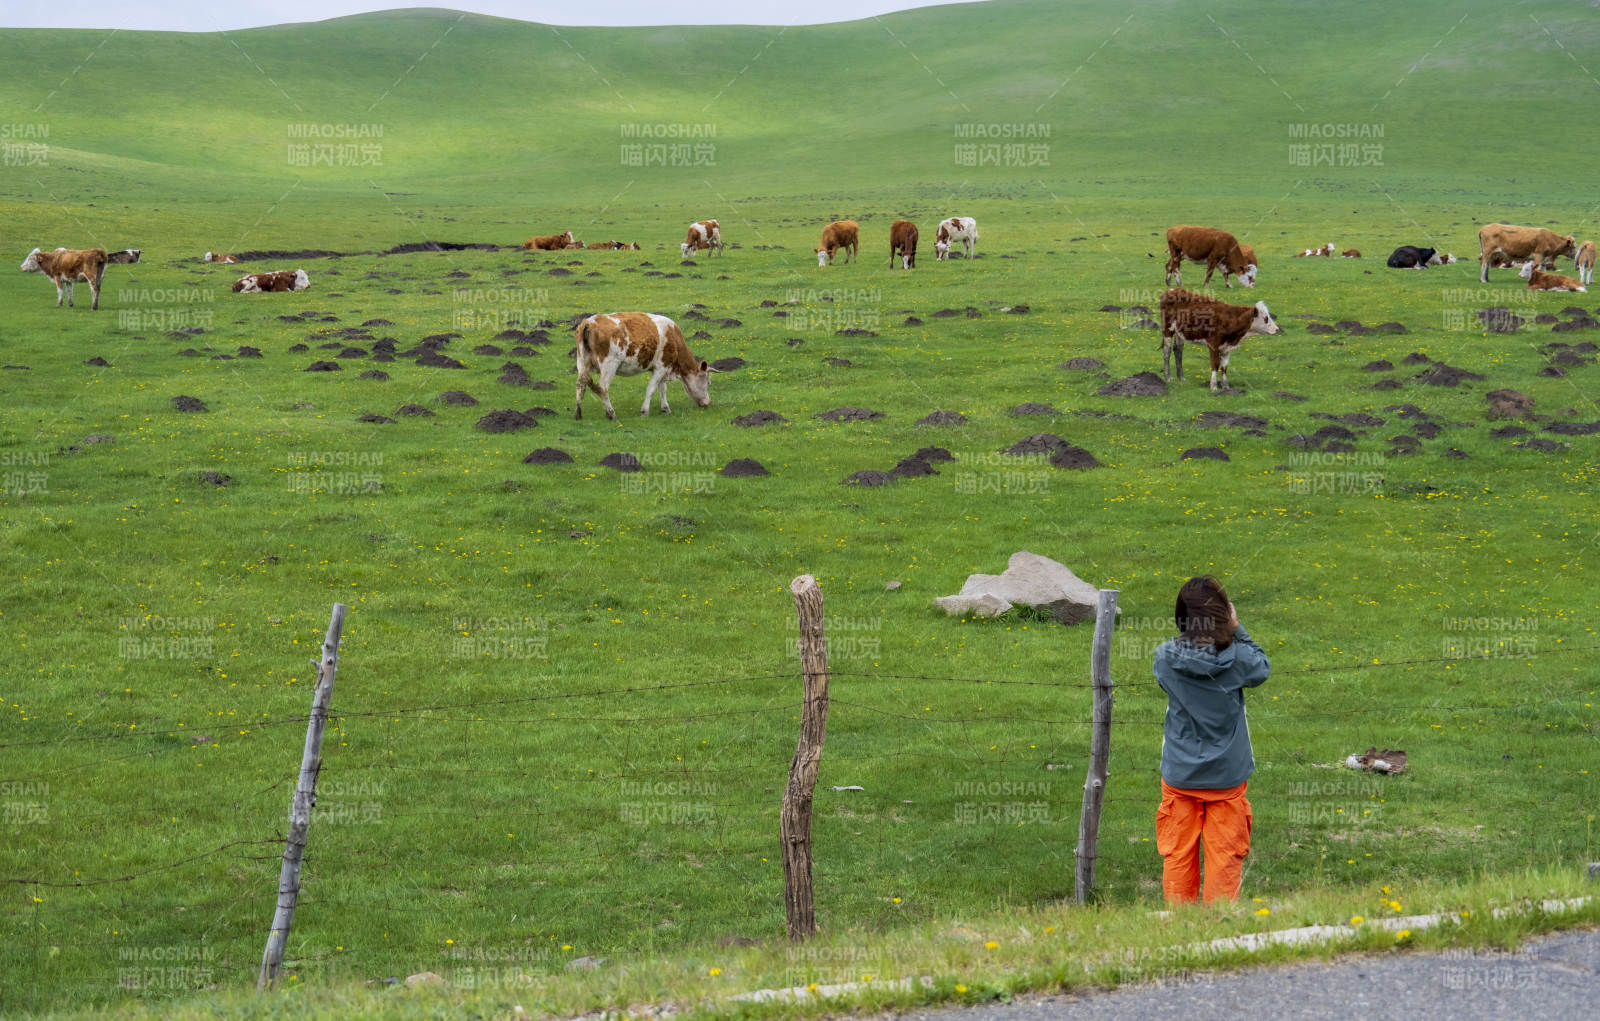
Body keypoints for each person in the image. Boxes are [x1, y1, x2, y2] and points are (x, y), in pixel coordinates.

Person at [1152, 575, 1270, 904]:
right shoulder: (1241, 661)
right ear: (1223, 614)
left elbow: (1166, 679)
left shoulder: (1164, 658)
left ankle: (1182, 927)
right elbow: (1262, 667)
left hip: (1179, 775)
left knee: (1177, 854)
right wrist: (1236, 628)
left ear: (1182, 616)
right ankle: (1219, 926)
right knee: (1226, 856)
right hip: (1226, 779)